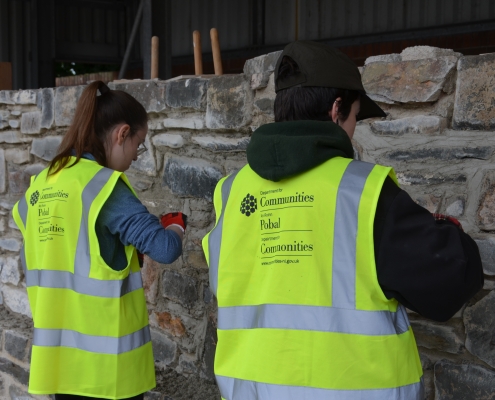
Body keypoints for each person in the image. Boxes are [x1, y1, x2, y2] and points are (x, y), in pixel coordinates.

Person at [202, 41, 483, 399]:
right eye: (354, 117)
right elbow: (451, 279)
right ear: (336, 111)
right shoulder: (362, 192)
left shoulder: (231, 193)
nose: (353, 129)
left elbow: (226, 281)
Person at [12, 81, 188, 400]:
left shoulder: (39, 186)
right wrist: (177, 225)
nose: (137, 154)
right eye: (139, 143)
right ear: (121, 134)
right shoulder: (104, 188)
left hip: (60, 366)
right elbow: (164, 248)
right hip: (106, 376)